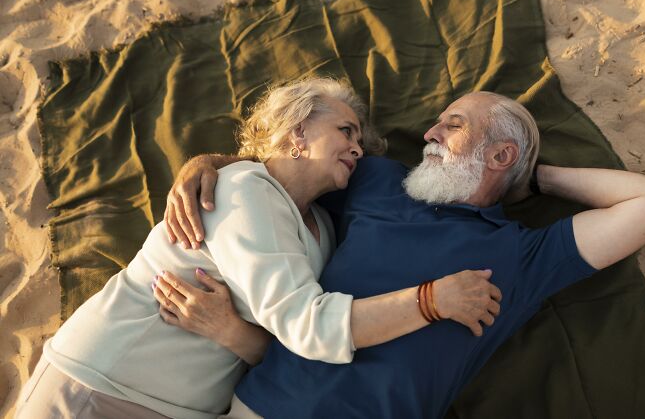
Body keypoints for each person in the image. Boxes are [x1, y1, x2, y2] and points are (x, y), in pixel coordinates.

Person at [160, 91, 645, 418]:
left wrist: (532, 178)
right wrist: (205, 164)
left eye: (454, 124)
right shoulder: (377, 181)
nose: (431, 133)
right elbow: (286, 166)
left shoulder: (523, 253)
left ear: (499, 154)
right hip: (266, 406)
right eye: (438, 121)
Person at [15, 79, 504, 419]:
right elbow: (310, 325)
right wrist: (431, 300)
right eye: (345, 131)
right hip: (102, 387)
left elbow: (292, 346)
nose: (358, 147)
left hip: (179, 405)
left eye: (360, 139)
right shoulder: (239, 190)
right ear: (297, 132)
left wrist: (233, 333)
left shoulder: (322, 230)